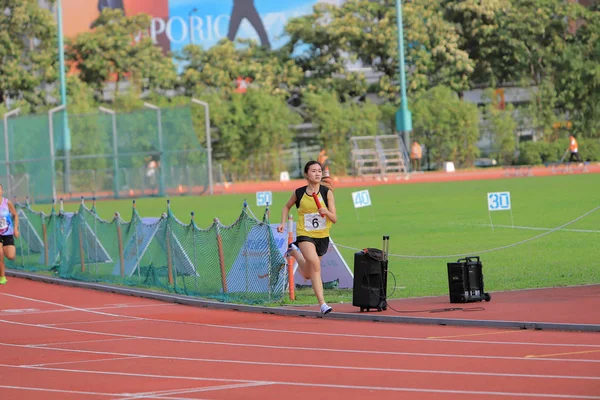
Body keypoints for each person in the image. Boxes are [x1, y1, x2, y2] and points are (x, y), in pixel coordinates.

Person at [277, 161, 337, 315]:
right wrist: (283, 223)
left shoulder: (327, 192)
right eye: (313, 171)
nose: (317, 173)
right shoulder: (299, 193)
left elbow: (335, 218)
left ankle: (294, 252)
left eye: (319, 171)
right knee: (315, 263)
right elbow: (286, 206)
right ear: (306, 174)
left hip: (322, 237)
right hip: (305, 234)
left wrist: (326, 212)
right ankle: (323, 304)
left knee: (309, 274)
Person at [0, 184, 19, 285]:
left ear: (2, 190)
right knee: (0, 254)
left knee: (11, 256)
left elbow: (15, 215)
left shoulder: (7, 203)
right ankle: (2, 277)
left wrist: (15, 229)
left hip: (7, 233)